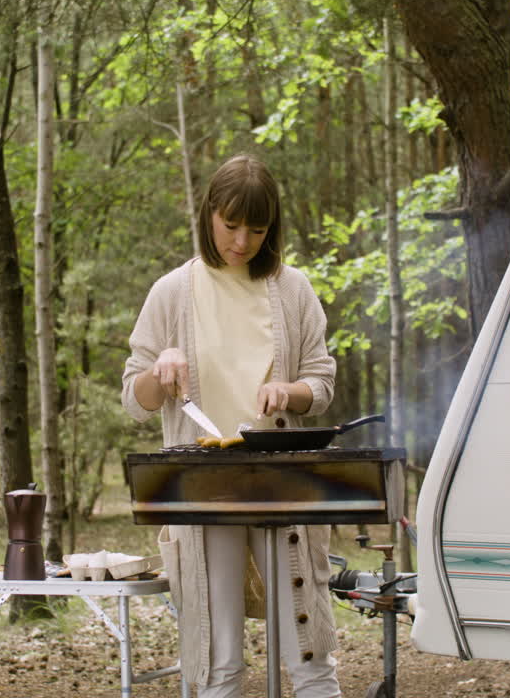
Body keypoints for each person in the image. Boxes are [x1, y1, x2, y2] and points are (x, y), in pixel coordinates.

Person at [121, 154, 341, 698]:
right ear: (209, 214)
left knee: (309, 654)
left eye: (257, 229)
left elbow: (322, 384)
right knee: (220, 662)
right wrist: (159, 369)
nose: (242, 241)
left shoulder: (293, 290)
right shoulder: (171, 292)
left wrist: (288, 391)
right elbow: (134, 400)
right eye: (231, 225)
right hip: (204, 490)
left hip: (282, 488)